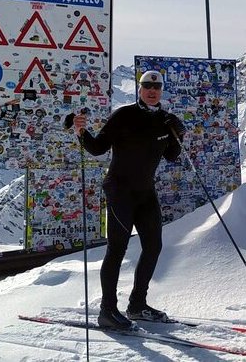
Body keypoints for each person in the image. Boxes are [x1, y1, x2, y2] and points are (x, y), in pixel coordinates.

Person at [72, 70, 186, 330]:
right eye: (147, 85)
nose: (152, 90)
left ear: (161, 90)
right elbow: (98, 148)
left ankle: (137, 305)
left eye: (156, 86)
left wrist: (178, 134)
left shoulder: (165, 121)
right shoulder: (123, 115)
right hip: (119, 192)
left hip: (145, 193)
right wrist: (81, 132)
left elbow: (172, 156)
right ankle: (107, 311)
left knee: (153, 246)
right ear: (140, 88)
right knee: (116, 250)